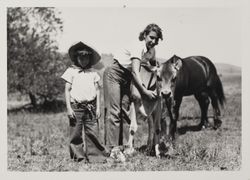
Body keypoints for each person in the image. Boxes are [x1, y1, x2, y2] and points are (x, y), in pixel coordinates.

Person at [103, 23, 163, 156]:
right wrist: (145, 91)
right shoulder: (138, 47)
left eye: (156, 39)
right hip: (115, 73)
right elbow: (136, 72)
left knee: (125, 111)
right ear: (145, 35)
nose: (153, 41)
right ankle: (112, 149)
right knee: (115, 111)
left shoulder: (151, 51)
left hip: (127, 77)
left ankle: (126, 147)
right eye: (151, 37)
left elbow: (153, 67)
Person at [61, 41, 109, 163]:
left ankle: (96, 157)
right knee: (75, 134)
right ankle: (79, 157)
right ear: (76, 58)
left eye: (86, 57)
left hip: (91, 107)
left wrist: (98, 107)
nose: (84, 60)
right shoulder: (71, 71)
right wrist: (69, 108)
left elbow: (98, 91)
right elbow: (67, 90)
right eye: (81, 57)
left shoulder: (93, 72)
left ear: (90, 58)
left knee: (92, 132)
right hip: (76, 107)